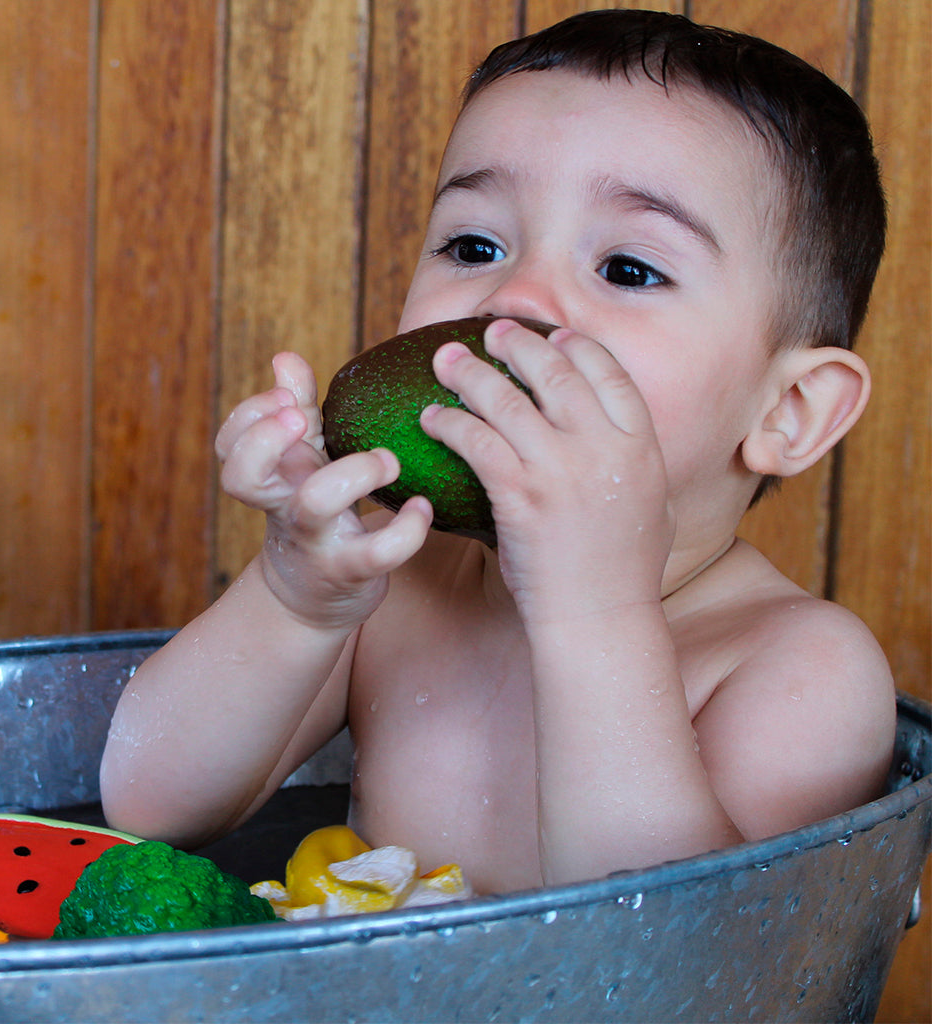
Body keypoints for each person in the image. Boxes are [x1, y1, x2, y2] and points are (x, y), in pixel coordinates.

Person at [99, 9, 896, 894]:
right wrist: (296, 597)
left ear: (789, 410)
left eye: (628, 268)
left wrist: (590, 611)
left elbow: (680, 962)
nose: (512, 296)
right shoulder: (401, 587)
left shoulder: (801, 668)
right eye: (474, 245)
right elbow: (149, 809)